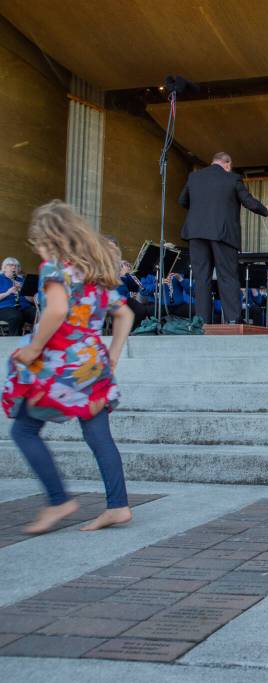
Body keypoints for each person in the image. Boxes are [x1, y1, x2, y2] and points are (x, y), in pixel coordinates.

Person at [3, 201, 135, 534]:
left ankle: (58, 500)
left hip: (61, 365)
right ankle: (118, 506)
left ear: (50, 236)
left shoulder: (55, 267)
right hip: (93, 364)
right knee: (98, 434)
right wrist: (113, 355)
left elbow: (57, 310)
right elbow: (125, 314)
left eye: (39, 240)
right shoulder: (94, 274)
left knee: (24, 430)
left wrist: (34, 347)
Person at [178, 152, 268, 324]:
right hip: (223, 233)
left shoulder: (194, 177)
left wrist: (202, 212)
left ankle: (202, 322)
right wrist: (265, 210)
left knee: (201, 278)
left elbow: (182, 201)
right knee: (227, 277)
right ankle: (233, 321)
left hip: (196, 234)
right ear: (227, 164)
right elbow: (248, 201)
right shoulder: (232, 179)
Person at [0, 257, 33, 335]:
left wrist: (24, 292)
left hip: (23, 307)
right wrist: (8, 292)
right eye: (10, 265)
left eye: (17, 266)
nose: (14, 267)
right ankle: (14, 342)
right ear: (4, 268)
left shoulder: (22, 280)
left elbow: (32, 299)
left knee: (38, 315)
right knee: (15, 317)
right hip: (5, 308)